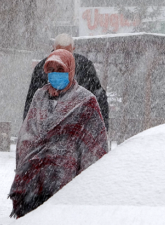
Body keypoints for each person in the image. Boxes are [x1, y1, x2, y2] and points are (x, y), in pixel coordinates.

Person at [9, 49, 108, 218]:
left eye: (60, 70)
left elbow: (95, 147)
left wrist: (84, 182)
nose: (55, 75)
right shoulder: (40, 96)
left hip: (66, 181)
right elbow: (28, 133)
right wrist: (29, 160)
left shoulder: (85, 101)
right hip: (33, 180)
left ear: (70, 70)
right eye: (51, 70)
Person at [23, 33, 109, 131]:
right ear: (53, 48)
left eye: (67, 52)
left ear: (73, 49)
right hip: (47, 132)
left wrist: (101, 129)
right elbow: (31, 103)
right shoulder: (42, 68)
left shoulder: (85, 67)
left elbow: (98, 97)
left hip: (78, 130)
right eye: (60, 51)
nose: (63, 56)